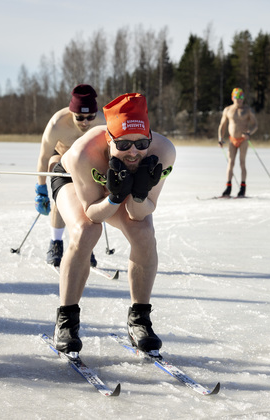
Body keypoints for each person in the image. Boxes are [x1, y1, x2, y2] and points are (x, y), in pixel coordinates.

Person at [50, 93, 176, 354]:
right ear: (109, 138)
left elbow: (139, 213)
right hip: (73, 180)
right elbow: (94, 214)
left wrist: (139, 193)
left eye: (141, 143)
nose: (133, 152)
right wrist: (115, 197)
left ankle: (139, 320)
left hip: (122, 187)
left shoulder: (163, 151)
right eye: (123, 144)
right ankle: (66, 321)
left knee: (143, 233)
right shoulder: (82, 153)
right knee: (86, 230)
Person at [35, 84, 106, 267]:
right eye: (80, 117)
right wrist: (41, 189)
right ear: (71, 112)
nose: (85, 122)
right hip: (60, 159)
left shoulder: (102, 122)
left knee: (88, 203)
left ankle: (86, 245)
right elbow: (43, 157)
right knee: (63, 199)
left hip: (86, 161)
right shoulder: (57, 124)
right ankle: (56, 243)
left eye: (90, 116)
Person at [217, 87, 258, 197]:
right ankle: (228, 187)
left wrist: (249, 133)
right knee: (230, 163)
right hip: (232, 140)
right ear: (232, 98)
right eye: (237, 98)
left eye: (241, 98)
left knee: (242, 162)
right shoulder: (228, 110)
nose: (239, 100)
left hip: (243, 140)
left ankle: (242, 187)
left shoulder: (247, 110)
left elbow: (255, 125)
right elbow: (222, 126)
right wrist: (220, 138)